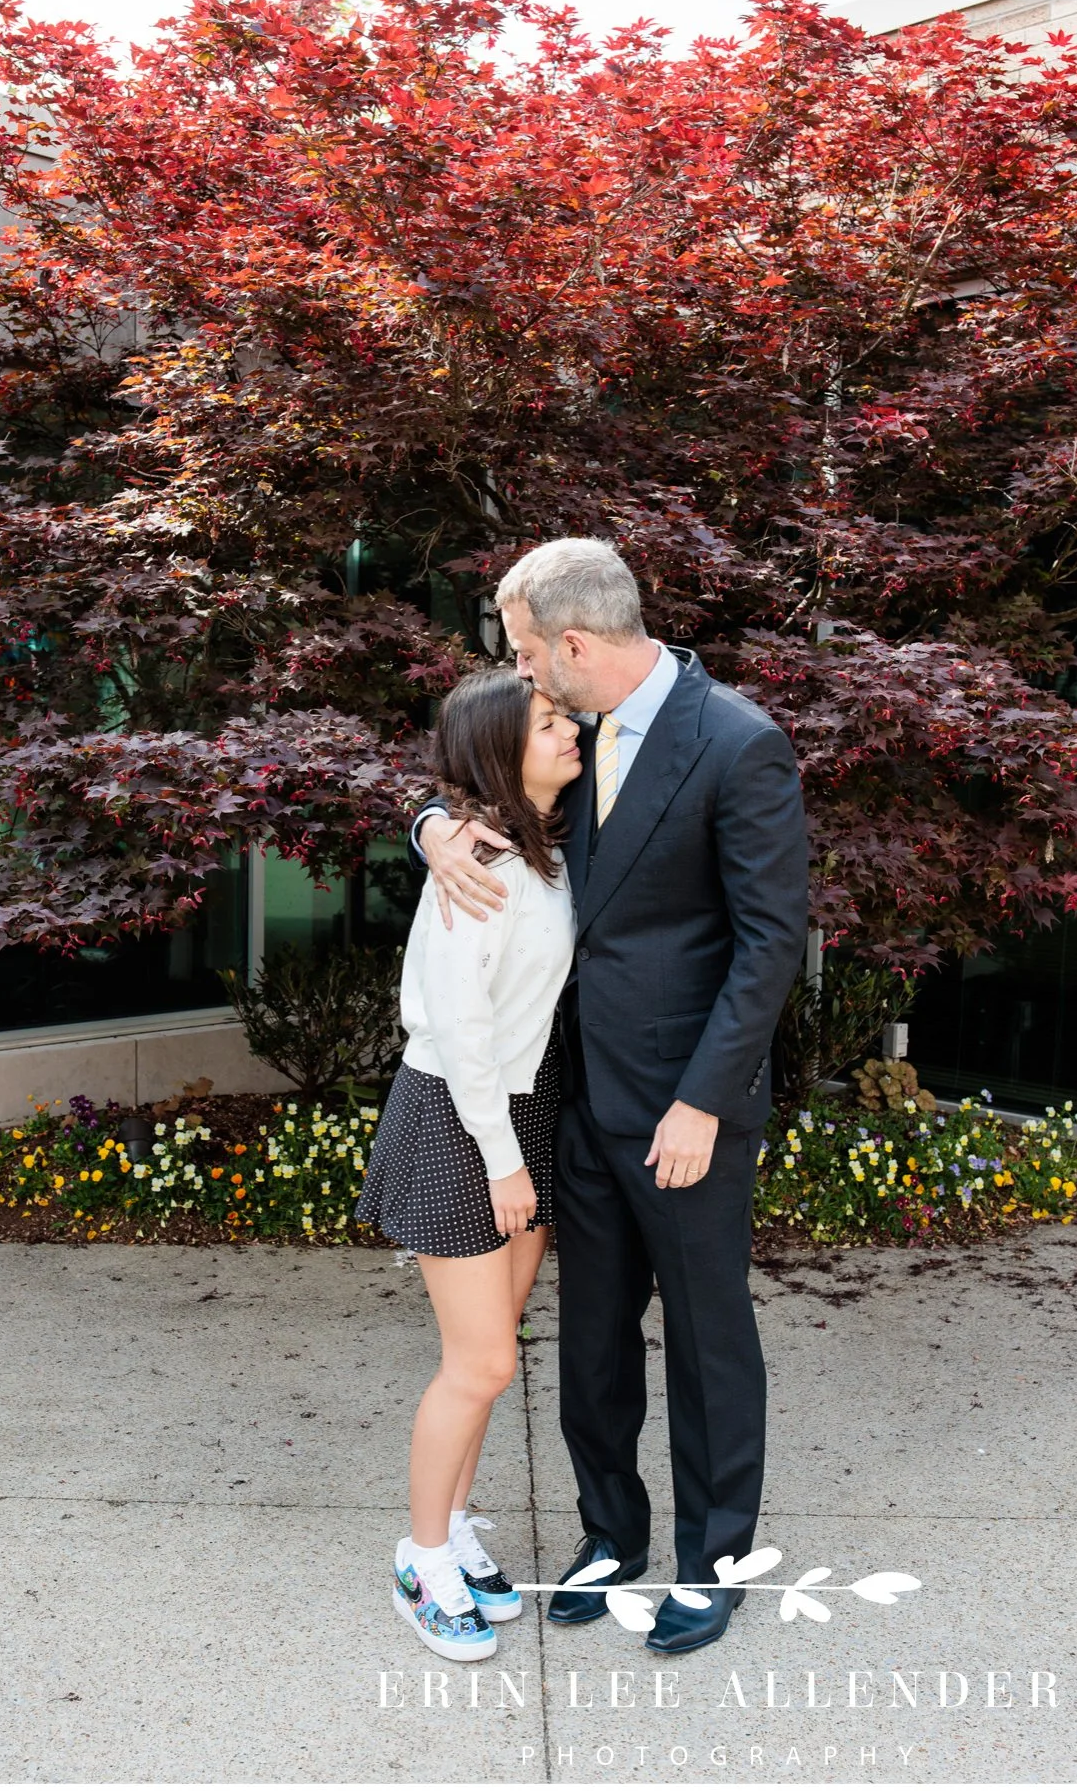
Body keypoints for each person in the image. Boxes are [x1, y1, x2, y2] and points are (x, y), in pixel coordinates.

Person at [415, 537, 807, 1654]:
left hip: (684, 1111)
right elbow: (469, 779)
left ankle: (714, 1560)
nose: (525, 674)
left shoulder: (739, 742)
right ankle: (609, 1534)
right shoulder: (567, 735)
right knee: (590, 1337)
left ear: (575, 643)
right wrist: (431, 827)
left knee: (706, 1335)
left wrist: (704, 1104)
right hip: (571, 1097)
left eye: (529, 652)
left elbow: (769, 946)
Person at [358, 669, 582, 1661]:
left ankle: (452, 1527)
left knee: (492, 1359)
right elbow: (459, 1024)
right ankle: (421, 1555)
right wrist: (501, 1161)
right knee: (481, 1359)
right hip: (460, 1114)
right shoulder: (478, 862)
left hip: (520, 1108)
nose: (569, 730)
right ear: (502, 751)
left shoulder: (547, 848)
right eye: (547, 723)